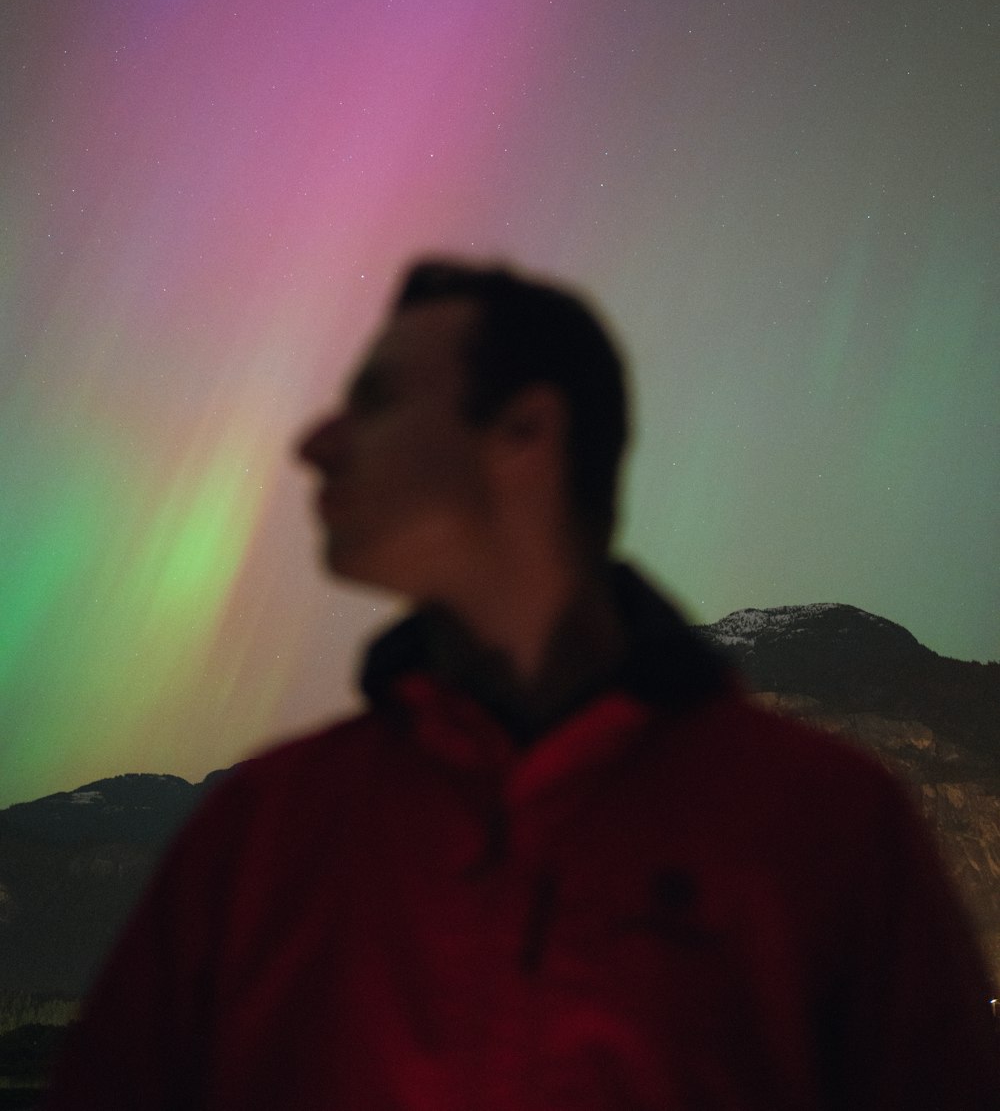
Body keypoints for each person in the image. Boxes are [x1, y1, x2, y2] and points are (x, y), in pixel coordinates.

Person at [45, 257, 997, 1108]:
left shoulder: (826, 830)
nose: (316, 444)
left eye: (376, 400)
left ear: (524, 432)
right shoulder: (258, 834)